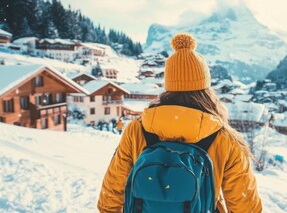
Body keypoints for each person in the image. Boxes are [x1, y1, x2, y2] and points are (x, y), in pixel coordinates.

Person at [97, 33, 262, 212]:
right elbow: (247, 207)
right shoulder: (224, 137)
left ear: (168, 85)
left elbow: (109, 196)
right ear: (206, 88)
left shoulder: (137, 129)